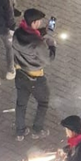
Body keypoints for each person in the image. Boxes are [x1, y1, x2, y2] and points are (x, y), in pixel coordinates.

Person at [13, 9, 56, 140]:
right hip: (35, 78)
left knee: (21, 104)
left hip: (20, 74)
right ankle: (37, 130)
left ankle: (20, 131)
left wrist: (44, 32)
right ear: (34, 22)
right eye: (39, 22)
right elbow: (49, 58)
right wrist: (52, 44)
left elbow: (31, 35)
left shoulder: (17, 33)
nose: (41, 23)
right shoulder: (38, 43)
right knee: (43, 102)